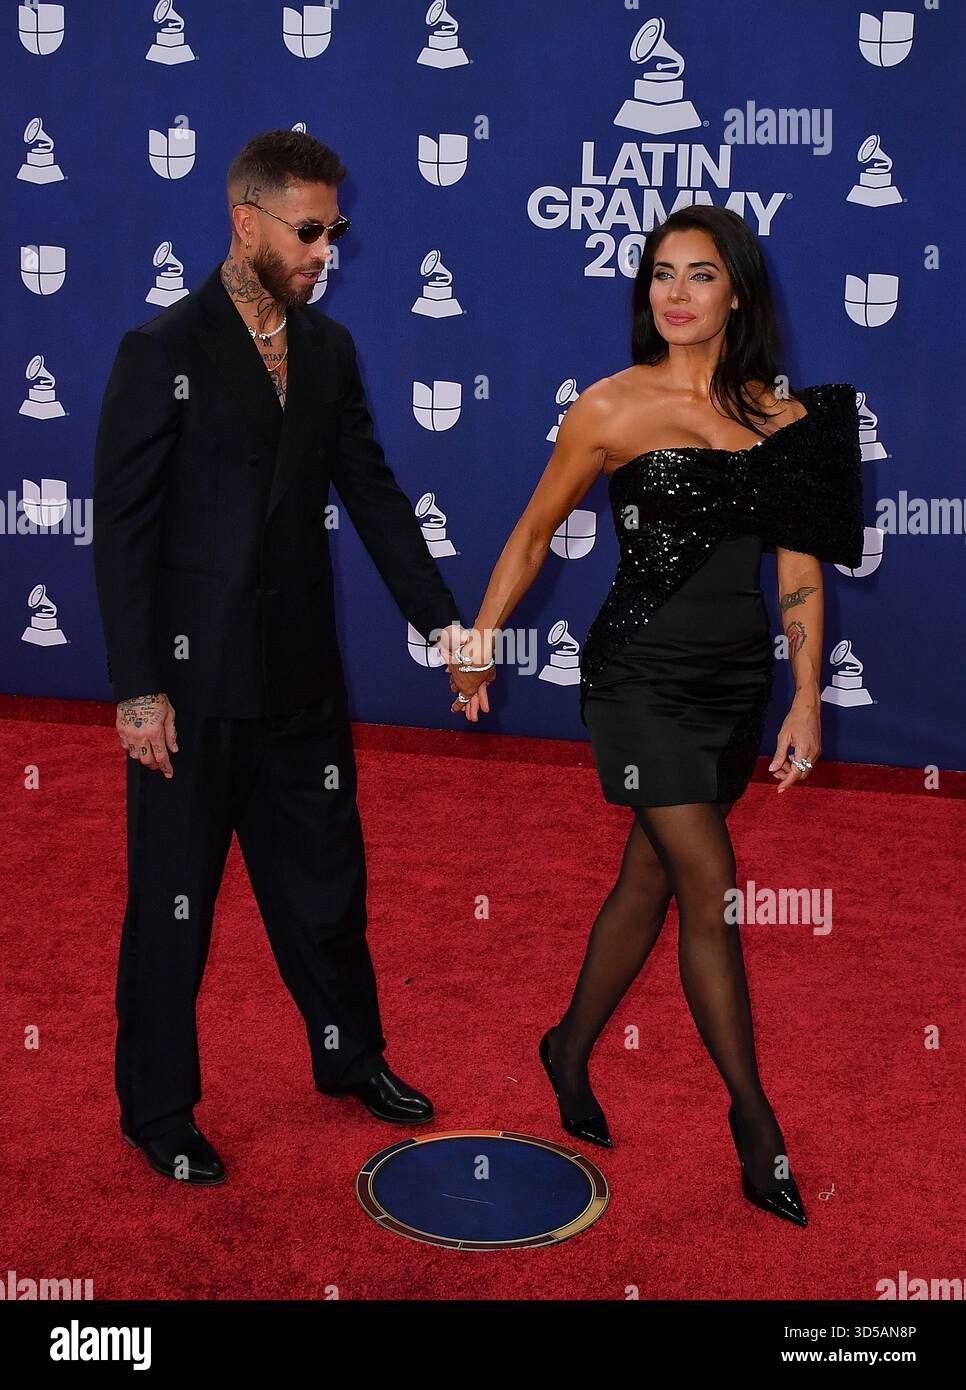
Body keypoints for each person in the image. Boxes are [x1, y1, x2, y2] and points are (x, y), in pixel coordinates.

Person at [446, 206, 864, 1227]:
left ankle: (567, 1043)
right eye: (660, 275)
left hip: (731, 685)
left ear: (737, 293)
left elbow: (801, 573)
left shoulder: (790, 421)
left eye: (700, 275)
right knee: (710, 882)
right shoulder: (608, 408)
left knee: (650, 878)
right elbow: (535, 531)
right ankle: (756, 1123)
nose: (675, 293)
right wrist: (482, 641)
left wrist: (806, 696)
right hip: (635, 681)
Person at [93, 128, 469, 1186]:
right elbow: (121, 530)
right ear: (245, 219)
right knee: (174, 901)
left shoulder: (331, 351)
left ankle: (352, 1058)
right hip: (189, 685)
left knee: (327, 887)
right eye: (307, 231)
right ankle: (158, 1107)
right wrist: (134, 686)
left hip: (301, 682)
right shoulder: (159, 350)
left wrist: (444, 624)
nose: (323, 252)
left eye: (333, 231)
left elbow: (377, 497)